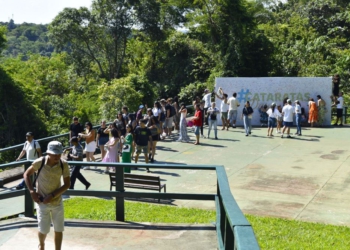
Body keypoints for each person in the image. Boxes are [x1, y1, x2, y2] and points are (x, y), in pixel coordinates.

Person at [23, 141, 70, 250]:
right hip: (42, 201)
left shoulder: (63, 164)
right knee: (43, 230)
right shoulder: (40, 162)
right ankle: (42, 244)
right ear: (48, 153)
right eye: (54, 154)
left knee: (59, 229)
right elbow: (26, 174)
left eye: (59, 154)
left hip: (57, 202)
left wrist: (53, 195)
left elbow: (67, 184)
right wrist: (31, 191)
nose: (57, 156)